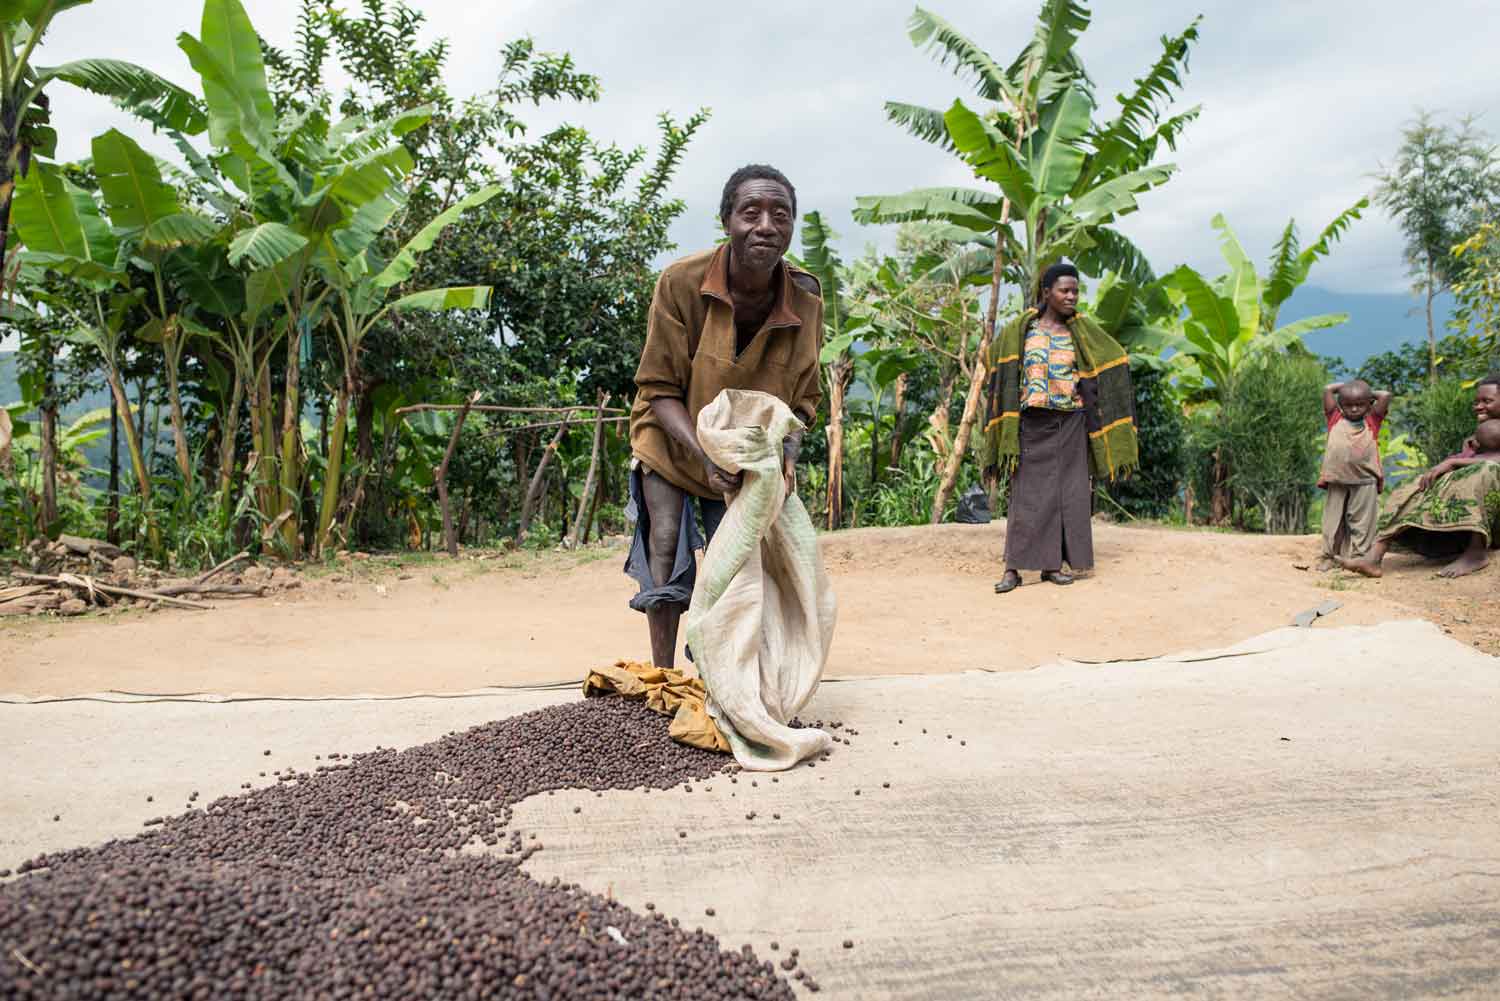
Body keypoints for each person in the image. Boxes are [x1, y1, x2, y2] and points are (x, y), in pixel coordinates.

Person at [624, 164, 823, 667]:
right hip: (674, 437)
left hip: (745, 452)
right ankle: (662, 676)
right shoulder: (681, 282)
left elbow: (802, 402)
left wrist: (783, 458)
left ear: (793, 225)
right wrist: (703, 453)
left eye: (781, 214)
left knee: (734, 561)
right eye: (749, 212)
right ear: (726, 220)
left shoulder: (806, 298)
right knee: (666, 543)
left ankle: (719, 673)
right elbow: (658, 388)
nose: (765, 225)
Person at [981, 262, 1139, 594]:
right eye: (1064, 290)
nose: (1071, 296)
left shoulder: (1081, 332)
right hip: (1030, 423)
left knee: (1066, 494)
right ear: (1046, 292)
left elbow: (1114, 358)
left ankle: (1052, 566)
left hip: (1071, 422)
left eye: (1075, 291)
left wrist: (1087, 383)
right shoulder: (1023, 331)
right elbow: (994, 362)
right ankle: (1012, 569)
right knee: (1025, 494)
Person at [1338, 375, 1500, 579]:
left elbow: (1493, 464)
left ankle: (1476, 552)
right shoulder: (1479, 436)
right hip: (1475, 523)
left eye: (1487, 401)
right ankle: (1375, 556)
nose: (1478, 406)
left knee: (1485, 470)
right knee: (1415, 484)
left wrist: (1453, 463)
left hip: (1494, 521)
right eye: (1476, 402)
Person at [1316, 379, 1393, 570]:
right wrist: (1347, 388)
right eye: (1349, 405)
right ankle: (1329, 557)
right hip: (1337, 480)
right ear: (1340, 405)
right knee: (1332, 522)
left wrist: (1363, 390)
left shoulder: (1372, 420)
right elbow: (1327, 389)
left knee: (1362, 523)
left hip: (1365, 481)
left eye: (1360, 404)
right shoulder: (1334, 417)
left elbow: (1385, 396)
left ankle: (1359, 558)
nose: (1354, 409)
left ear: (1369, 405)